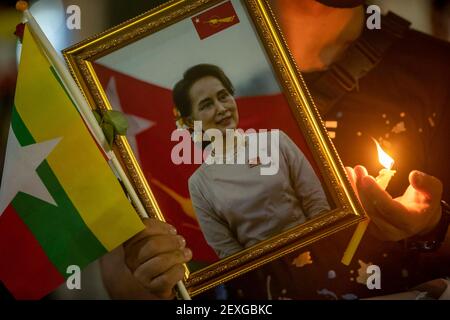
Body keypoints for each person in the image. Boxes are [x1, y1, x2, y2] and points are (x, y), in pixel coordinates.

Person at [101, 0, 450, 299]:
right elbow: (122, 275)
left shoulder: (437, 72)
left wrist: (431, 227)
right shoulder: (157, 77)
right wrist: (154, 274)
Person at [172, 64, 330, 259]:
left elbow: (317, 204)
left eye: (223, 96)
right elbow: (227, 251)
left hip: (320, 249)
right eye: (206, 105)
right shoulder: (199, 183)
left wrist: (322, 250)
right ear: (189, 122)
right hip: (268, 276)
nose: (221, 109)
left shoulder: (276, 141)